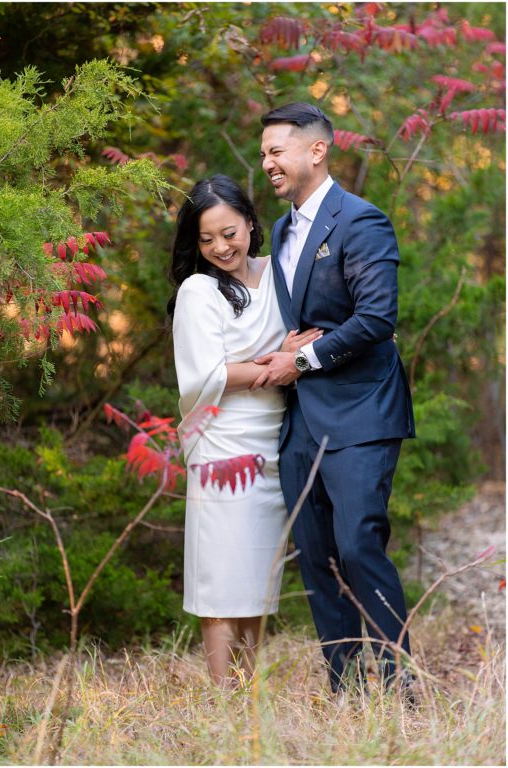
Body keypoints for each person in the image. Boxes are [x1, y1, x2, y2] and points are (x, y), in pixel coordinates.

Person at [252, 102, 416, 696]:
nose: (267, 162)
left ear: (316, 150)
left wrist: (299, 360)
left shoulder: (361, 221)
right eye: (265, 152)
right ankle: (347, 693)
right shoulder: (280, 229)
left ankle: (402, 689)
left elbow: (377, 317)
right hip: (300, 423)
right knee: (318, 559)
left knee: (358, 545)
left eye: (277, 150)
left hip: (361, 411)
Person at [169, 174, 321, 687]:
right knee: (219, 578)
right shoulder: (198, 289)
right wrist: (279, 362)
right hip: (221, 443)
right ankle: (222, 697)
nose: (220, 248)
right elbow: (206, 374)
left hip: (274, 439)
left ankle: (247, 692)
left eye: (229, 233)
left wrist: (282, 359)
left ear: (252, 225)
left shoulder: (281, 273)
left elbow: (306, 335)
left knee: (256, 578)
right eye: (206, 239)